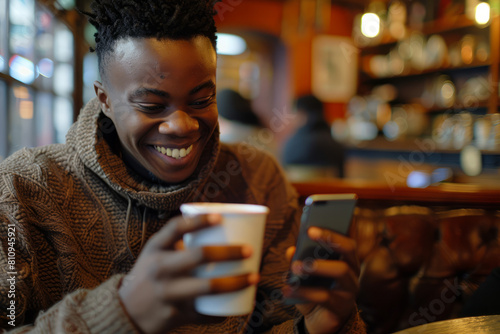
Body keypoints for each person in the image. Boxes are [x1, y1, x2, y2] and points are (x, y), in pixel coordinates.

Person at [0, 1, 365, 333]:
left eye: (201, 99)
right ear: (105, 99)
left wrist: (318, 327)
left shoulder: (256, 177)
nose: (181, 126)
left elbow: (277, 324)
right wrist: (122, 312)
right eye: (151, 105)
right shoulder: (26, 189)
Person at [282, 94, 346, 180]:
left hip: (297, 192)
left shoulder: (291, 145)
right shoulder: (335, 146)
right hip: (330, 193)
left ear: (302, 114)